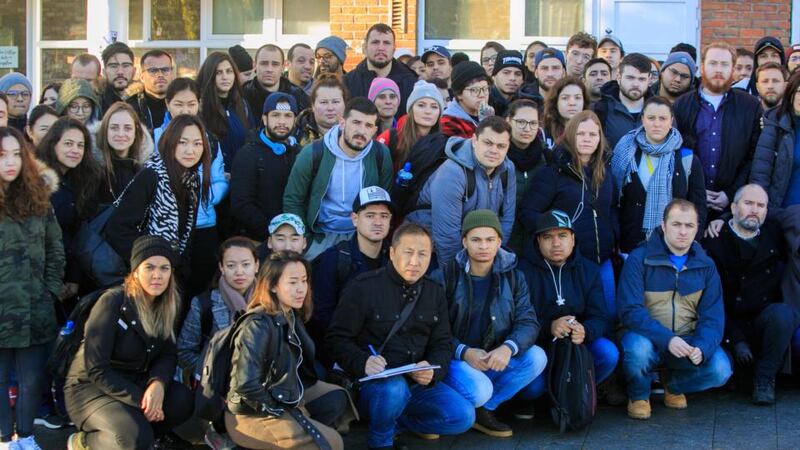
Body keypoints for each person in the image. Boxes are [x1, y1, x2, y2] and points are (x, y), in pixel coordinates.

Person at [326, 223, 474, 450]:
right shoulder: (363, 287)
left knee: (462, 416)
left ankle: (392, 423)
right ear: (392, 253)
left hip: (415, 384)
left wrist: (433, 370)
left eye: (423, 254)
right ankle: (381, 441)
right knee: (393, 390)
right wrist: (363, 361)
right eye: (408, 253)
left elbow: (442, 343)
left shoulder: (434, 291)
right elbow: (336, 338)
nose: (415, 262)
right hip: (375, 385)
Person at [64, 236, 194, 450]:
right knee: (133, 437)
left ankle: (148, 438)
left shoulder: (168, 303)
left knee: (182, 400)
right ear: (135, 270)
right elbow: (96, 369)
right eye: (149, 267)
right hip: (91, 388)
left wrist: (158, 383)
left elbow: (168, 354)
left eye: (164, 268)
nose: (157, 275)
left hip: (136, 380)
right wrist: (144, 399)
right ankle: (83, 443)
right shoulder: (112, 301)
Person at [617, 199, 732, 420]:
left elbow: (713, 317)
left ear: (697, 228)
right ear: (663, 225)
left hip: (686, 339)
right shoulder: (639, 258)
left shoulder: (706, 265)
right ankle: (639, 395)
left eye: (689, 226)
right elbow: (630, 310)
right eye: (676, 224)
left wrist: (702, 347)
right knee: (637, 351)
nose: (682, 232)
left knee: (721, 369)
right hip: (646, 337)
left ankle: (675, 385)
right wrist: (668, 339)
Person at [435, 210, 545, 437]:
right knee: (479, 390)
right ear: (464, 241)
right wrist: (464, 352)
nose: (483, 246)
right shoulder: (446, 276)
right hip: (456, 358)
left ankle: (486, 409)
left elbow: (528, 321)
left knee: (537, 357)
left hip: (493, 356)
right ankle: (453, 398)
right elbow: (435, 328)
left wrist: (507, 348)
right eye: (476, 239)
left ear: (499, 242)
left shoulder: (514, 277)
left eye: (489, 239)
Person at [226, 251, 349, 450]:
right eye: (293, 283)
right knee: (333, 443)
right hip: (252, 411)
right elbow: (247, 386)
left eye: (304, 280)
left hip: (284, 393)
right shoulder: (257, 324)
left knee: (335, 397)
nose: (301, 289)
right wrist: (288, 412)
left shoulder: (290, 314)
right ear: (273, 286)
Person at [702, 184, 798, 405]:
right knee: (723, 371)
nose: (755, 209)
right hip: (724, 322)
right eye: (748, 203)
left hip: (761, 320)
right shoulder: (714, 239)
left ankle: (765, 380)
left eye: (760, 205)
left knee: (783, 314)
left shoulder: (774, 233)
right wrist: (735, 340)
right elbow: (710, 303)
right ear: (734, 208)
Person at [0, 127, 64, 450]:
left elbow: (55, 249)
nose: (10, 162)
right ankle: (2, 438)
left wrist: (49, 290)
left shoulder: (39, 197)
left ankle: (24, 436)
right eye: (2, 155)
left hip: (33, 307)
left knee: (31, 379)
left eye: (16, 154)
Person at [520, 110, 617, 317]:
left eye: (593, 134)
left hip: (602, 260)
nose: (587, 139)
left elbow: (612, 211)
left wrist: (613, 236)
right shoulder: (553, 173)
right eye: (581, 134)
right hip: (568, 264)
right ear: (571, 135)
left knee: (605, 318)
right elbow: (528, 211)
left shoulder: (606, 173)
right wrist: (556, 230)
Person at [517, 210, 618, 403]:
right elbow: (516, 321)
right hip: (540, 348)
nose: (556, 243)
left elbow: (600, 317)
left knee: (608, 353)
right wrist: (549, 327)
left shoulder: (589, 270)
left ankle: (575, 392)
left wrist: (585, 331)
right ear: (538, 241)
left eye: (562, 236)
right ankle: (544, 400)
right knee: (533, 388)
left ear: (572, 239)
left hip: (577, 347)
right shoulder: (522, 272)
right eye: (548, 237)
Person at [283, 97, 392, 260]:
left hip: (362, 236)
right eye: (356, 122)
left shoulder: (381, 154)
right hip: (320, 236)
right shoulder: (312, 153)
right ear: (342, 122)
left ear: (375, 130)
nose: (361, 131)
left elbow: (385, 200)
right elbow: (293, 200)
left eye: (368, 125)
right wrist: (305, 238)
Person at [154, 77, 229, 302]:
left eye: (191, 104)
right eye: (179, 104)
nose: (185, 110)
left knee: (200, 289)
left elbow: (220, 180)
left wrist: (201, 198)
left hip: (204, 225)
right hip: (169, 226)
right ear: (167, 103)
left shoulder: (210, 140)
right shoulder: (154, 136)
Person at [407, 116, 516, 269]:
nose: (494, 151)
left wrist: (490, 260)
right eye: (488, 143)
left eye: (501, 146)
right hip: (432, 250)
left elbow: (506, 219)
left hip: (476, 245)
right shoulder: (453, 172)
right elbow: (446, 237)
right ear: (474, 140)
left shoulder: (507, 168)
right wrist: (458, 279)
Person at [105, 114, 211, 267]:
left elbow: (187, 239)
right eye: (182, 142)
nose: (190, 151)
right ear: (169, 143)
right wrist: (149, 264)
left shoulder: (192, 181)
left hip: (172, 274)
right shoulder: (151, 175)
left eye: (197, 144)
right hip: (142, 273)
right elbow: (118, 230)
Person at [673, 42, 763, 221]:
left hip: (733, 207)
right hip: (689, 203)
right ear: (702, 67)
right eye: (713, 63)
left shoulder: (750, 106)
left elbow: (753, 156)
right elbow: (675, 154)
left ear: (732, 69)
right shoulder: (682, 105)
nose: (719, 69)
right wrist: (696, 190)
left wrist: (731, 194)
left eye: (725, 64)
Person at [611, 96, 706, 254]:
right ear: (642, 119)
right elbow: (613, 201)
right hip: (629, 244)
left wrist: (692, 241)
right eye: (651, 118)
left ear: (671, 121)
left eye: (663, 118)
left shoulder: (687, 159)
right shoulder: (625, 151)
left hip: (672, 247)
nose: (657, 124)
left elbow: (699, 205)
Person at [310, 186, 393, 355]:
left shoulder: (396, 261)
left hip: (386, 353)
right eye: (370, 215)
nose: (378, 222)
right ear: (355, 219)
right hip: (342, 355)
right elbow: (321, 316)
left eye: (384, 216)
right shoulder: (334, 259)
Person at [37, 118, 102, 300]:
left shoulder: (84, 180)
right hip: (41, 276)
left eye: (80, 145)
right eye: (68, 143)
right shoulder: (38, 180)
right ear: (53, 145)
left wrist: (74, 278)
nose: (75, 150)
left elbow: (80, 233)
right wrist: (52, 283)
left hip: (70, 274)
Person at [177, 237, 259, 375]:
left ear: (256, 265)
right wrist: (215, 374)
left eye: (246, 264)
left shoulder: (269, 301)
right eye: (231, 265)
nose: (239, 272)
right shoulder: (203, 303)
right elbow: (184, 352)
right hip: (217, 386)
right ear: (221, 267)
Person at [231, 92, 301, 241]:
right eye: (276, 115)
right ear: (264, 118)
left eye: (288, 116)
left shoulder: (300, 154)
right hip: (258, 241)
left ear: (295, 120)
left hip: (294, 240)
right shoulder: (247, 154)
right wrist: (273, 233)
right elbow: (241, 204)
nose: (282, 121)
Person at [196, 51, 255, 171]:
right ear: (210, 75)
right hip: (213, 179)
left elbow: (252, 140)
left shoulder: (242, 105)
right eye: (218, 72)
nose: (225, 77)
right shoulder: (200, 107)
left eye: (229, 71)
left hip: (241, 176)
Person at [345, 23, 418, 119]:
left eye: (386, 43)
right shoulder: (348, 82)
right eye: (375, 42)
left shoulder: (410, 82)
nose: (381, 48)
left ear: (394, 49)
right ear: (365, 47)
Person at [751, 72, 800, 208]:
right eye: (799, 91)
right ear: (790, 95)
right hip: (784, 211)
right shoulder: (775, 123)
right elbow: (761, 171)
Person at [376, 79, 444, 172]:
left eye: (434, 107)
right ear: (411, 109)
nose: (428, 111)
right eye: (421, 105)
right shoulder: (391, 137)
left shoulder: (444, 144)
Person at [506, 99, 546, 253]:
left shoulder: (546, 157)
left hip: (534, 242)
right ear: (509, 121)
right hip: (504, 240)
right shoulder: (497, 155)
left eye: (533, 123)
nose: (527, 128)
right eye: (521, 122)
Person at [94, 101, 153, 205]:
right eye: (114, 128)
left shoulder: (147, 171)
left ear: (136, 132)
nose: (121, 134)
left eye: (127, 128)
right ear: (105, 130)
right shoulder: (93, 171)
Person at [592, 52, 652, 148]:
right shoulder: (600, 110)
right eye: (630, 78)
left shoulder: (661, 110)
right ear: (619, 77)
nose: (636, 84)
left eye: (641, 79)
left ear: (649, 80)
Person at [243, 44, 310, 123]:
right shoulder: (242, 95)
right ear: (254, 65)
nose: (269, 69)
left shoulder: (298, 96)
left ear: (283, 67)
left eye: (275, 64)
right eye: (264, 63)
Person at [128, 50, 175, 134]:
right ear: (141, 76)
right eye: (153, 70)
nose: (160, 74)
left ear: (172, 74)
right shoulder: (129, 108)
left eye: (165, 69)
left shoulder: (184, 105)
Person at [440, 61, 492, 138]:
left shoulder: (486, 114)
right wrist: (486, 124)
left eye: (485, 89)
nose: (482, 95)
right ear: (459, 94)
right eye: (474, 90)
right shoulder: (448, 122)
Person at [294, 74, 348, 146]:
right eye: (324, 102)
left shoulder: (353, 133)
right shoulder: (296, 133)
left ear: (344, 104)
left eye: (336, 102)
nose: (330, 108)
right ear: (313, 105)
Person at [542, 76, 589, 147]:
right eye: (565, 98)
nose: (572, 103)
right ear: (555, 102)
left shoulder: (592, 131)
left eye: (577, 98)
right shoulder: (543, 132)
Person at [99, 42, 136, 115]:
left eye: (126, 65)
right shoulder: (96, 104)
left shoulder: (145, 101)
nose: (120, 72)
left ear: (134, 71)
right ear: (104, 72)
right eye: (113, 66)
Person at [488, 50, 525, 118]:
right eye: (506, 73)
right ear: (494, 76)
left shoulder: (526, 104)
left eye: (518, 74)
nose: (512, 78)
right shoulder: (483, 101)